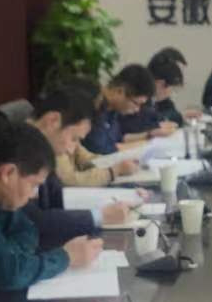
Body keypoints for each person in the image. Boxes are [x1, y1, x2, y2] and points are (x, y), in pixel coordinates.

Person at [0, 122, 102, 297]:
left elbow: (28, 230)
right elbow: (10, 274)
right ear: (8, 173)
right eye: (34, 185)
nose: (33, 195)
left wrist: (12, 255)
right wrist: (66, 257)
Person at [30, 83, 138, 242]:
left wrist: (124, 197)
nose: (70, 151)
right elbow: (35, 222)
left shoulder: (41, 149)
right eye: (73, 139)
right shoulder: (23, 154)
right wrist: (98, 216)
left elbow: (58, 197)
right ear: (53, 120)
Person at [81, 64, 160, 155]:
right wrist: (147, 145)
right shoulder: (95, 104)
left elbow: (118, 138)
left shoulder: (113, 109)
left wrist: (149, 135)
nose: (137, 110)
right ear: (120, 91)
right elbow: (100, 149)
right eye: (136, 103)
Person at [121, 54, 187, 136]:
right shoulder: (139, 97)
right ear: (160, 83)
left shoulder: (154, 100)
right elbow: (131, 127)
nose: (171, 94)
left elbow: (157, 119)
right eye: (172, 89)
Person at [149, 48, 194, 125]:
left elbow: (170, 113)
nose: (182, 83)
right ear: (160, 83)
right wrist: (180, 116)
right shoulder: (139, 99)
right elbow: (149, 121)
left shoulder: (164, 101)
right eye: (177, 79)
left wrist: (181, 116)